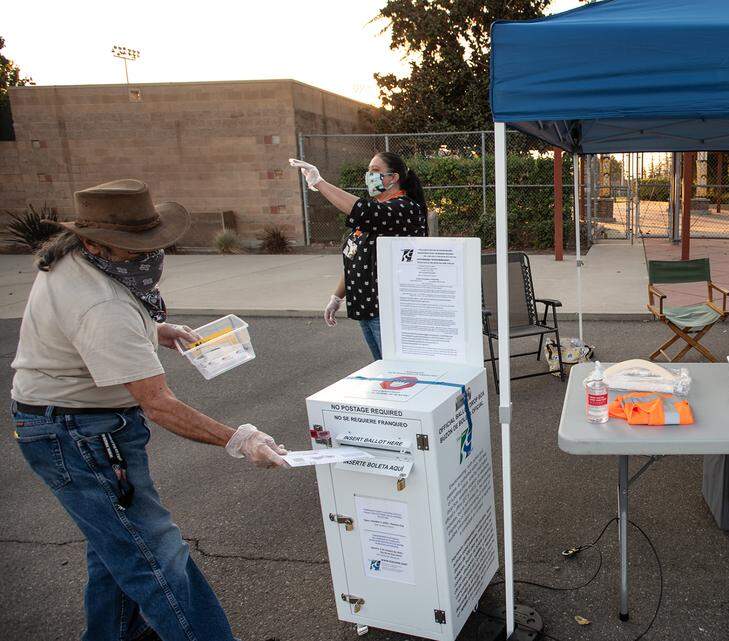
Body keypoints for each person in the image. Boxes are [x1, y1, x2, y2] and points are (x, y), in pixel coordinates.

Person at [10, 179, 287, 641]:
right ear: (96, 242)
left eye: (151, 244)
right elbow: (158, 403)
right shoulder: (101, 305)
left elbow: (96, 321)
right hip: (78, 434)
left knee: (116, 549)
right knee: (156, 557)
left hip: (70, 422)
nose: (149, 256)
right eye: (135, 249)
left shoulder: (76, 260)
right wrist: (239, 439)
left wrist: (156, 329)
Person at [289, 153, 428, 361]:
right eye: (368, 170)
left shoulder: (404, 209)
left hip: (391, 312)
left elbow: (364, 211)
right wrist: (337, 297)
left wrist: (320, 183)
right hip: (367, 309)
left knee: (401, 372)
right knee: (384, 369)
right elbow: (355, 259)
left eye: (375, 171)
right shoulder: (374, 217)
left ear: (394, 177)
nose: (369, 175)